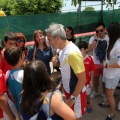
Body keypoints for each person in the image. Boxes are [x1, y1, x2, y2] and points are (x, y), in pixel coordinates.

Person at [46, 23, 86, 120]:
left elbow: (82, 80)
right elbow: (66, 72)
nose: (49, 43)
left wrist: (72, 99)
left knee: (75, 117)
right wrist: (60, 85)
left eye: (50, 40)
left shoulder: (72, 53)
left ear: (58, 38)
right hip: (69, 92)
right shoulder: (62, 50)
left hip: (76, 95)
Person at [98, 22, 120, 120]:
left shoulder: (119, 45)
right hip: (108, 72)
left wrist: (107, 64)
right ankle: (107, 103)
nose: (106, 31)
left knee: (110, 95)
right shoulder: (112, 40)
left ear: (113, 32)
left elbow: (119, 64)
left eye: (108, 30)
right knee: (107, 92)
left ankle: (112, 113)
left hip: (113, 74)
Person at [88, 21, 109, 99]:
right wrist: (96, 40)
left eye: (101, 30)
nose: (99, 32)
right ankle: (96, 91)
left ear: (104, 29)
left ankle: (104, 93)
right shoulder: (93, 38)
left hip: (106, 63)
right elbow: (89, 49)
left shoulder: (109, 39)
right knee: (95, 79)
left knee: (104, 80)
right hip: (95, 63)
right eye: (97, 31)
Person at [4, 46, 25, 120]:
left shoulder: (7, 73)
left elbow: (10, 93)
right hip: (27, 108)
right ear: (20, 57)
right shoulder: (23, 74)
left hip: (17, 106)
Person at [77, 41, 95, 113]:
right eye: (78, 50)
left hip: (87, 82)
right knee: (79, 95)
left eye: (81, 50)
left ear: (86, 50)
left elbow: (92, 70)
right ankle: (80, 105)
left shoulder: (90, 59)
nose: (79, 51)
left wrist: (91, 81)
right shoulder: (76, 59)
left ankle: (88, 103)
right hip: (78, 82)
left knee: (87, 94)